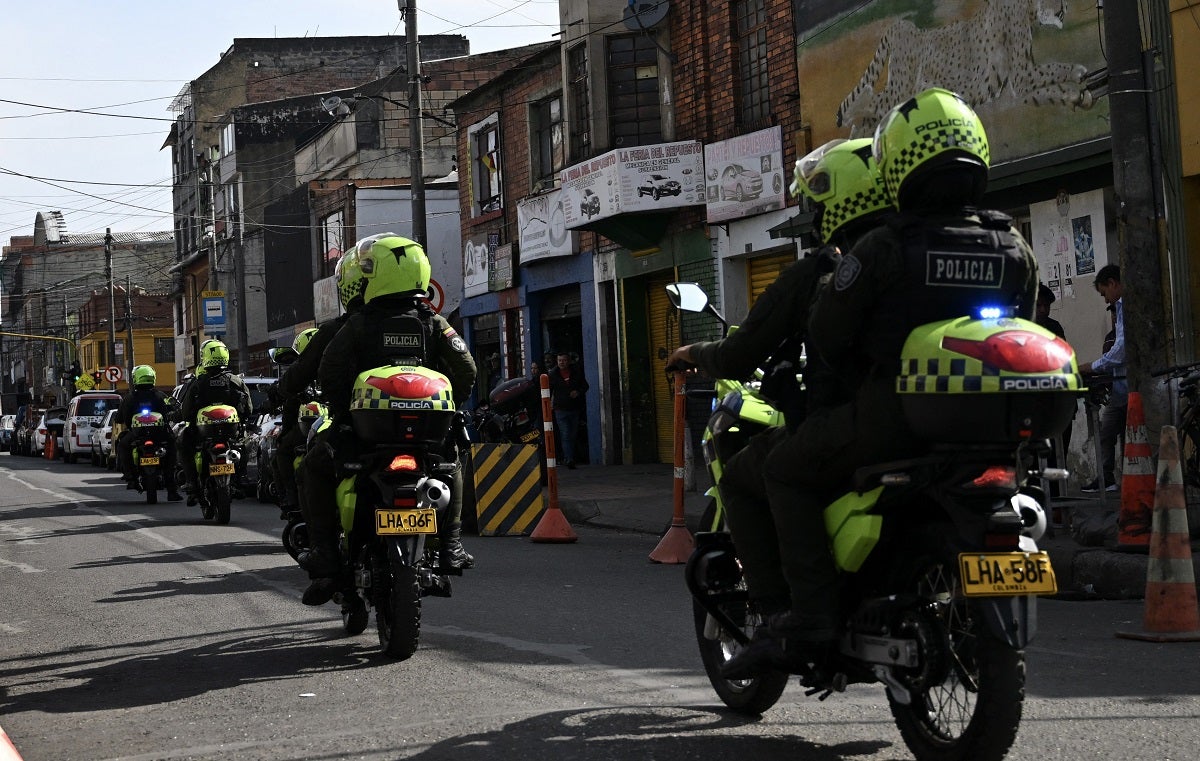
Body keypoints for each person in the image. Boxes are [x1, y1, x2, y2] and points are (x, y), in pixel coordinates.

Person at [724, 88, 1039, 678]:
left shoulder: (884, 249)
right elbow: (1024, 325)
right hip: (988, 430)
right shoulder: (1013, 245)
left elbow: (830, 335)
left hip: (893, 418)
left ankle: (809, 618)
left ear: (898, 165)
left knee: (782, 469)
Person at [666, 137, 891, 676]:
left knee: (759, 474)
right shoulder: (918, 252)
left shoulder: (827, 271)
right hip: (934, 420)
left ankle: (784, 619)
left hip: (857, 423)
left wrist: (693, 353)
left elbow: (741, 353)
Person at [298, 233, 477, 605]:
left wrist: (344, 412)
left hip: (366, 436)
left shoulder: (360, 323)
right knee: (451, 463)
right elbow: (466, 369)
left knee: (314, 466)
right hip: (425, 435)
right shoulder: (434, 322)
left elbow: (330, 370)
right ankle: (451, 546)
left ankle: (326, 556)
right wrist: (446, 408)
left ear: (377, 274)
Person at [179, 339, 254, 504]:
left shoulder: (198, 383)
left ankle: (191, 482)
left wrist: (190, 421)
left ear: (205, 357)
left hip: (203, 435)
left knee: (183, 442)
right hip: (230, 433)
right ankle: (241, 476)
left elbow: (186, 412)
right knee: (244, 442)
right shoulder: (236, 381)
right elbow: (248, 408)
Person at [1078, 264, 1125, 492]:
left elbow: (1121, 351)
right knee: (1107, 433)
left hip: (1131, 387)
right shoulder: (1118, 312)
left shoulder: (1126, 305)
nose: (1106, 300)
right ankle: (1106, 477)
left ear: (1112, 284)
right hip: (1120, 389)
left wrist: (1092, 366)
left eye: (1104, 293)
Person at [269, 327, 323, 516]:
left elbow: (287, 402)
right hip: (334, 425)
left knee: (282, 452)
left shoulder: (302, 373)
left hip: (313, 428)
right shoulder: (335, 363)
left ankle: (290, 497)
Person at [115, 364, 182, 501]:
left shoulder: (129, 398)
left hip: (137, 435)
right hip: (159, 435)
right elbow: (171, 411)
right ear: (153, 378)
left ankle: (131, 478)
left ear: (136, 378)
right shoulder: (160, 395)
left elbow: (120, 418)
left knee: (123, 445)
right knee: (171, 448)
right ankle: (171, 490)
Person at [1035, 283, 1074, 489]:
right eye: (1039, 305)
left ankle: (1057, 494)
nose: (1043, 310)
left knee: (1058, 452)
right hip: (1032, 404)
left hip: (1057, 400)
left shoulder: (1054, 327)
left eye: (1046, 306)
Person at [547, 352, 589, 468]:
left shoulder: (576, 372)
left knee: (573, 434)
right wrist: (548, 405)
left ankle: (570, 456)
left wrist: (578, 392)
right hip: (560, 409)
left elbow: (585, 386)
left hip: (574, 408)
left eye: (564, 360)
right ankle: (569, 459)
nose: (562, 363)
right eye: (559, 360)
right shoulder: (553, 374)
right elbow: (548, 390)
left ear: (568, 361)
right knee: (565, 434)